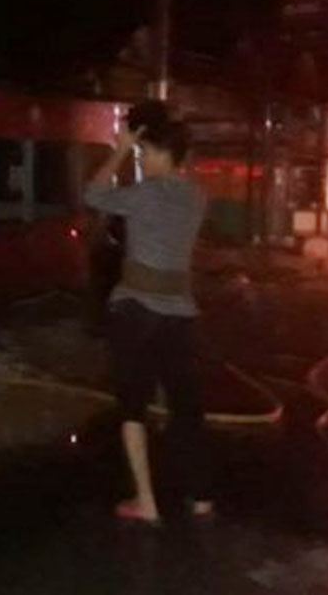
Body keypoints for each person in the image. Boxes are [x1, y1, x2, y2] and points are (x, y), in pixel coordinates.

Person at [84, 100, 213, 525]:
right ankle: (199, 496)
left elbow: (93, 194)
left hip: (136, 310)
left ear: (162, 154)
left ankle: (146, 502)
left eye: (145, 153)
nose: (142, 160)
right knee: (185, 406)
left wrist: (120, 150)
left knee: (133, 406)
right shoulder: (196, 196)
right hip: (179, 314)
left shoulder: (144, 194)